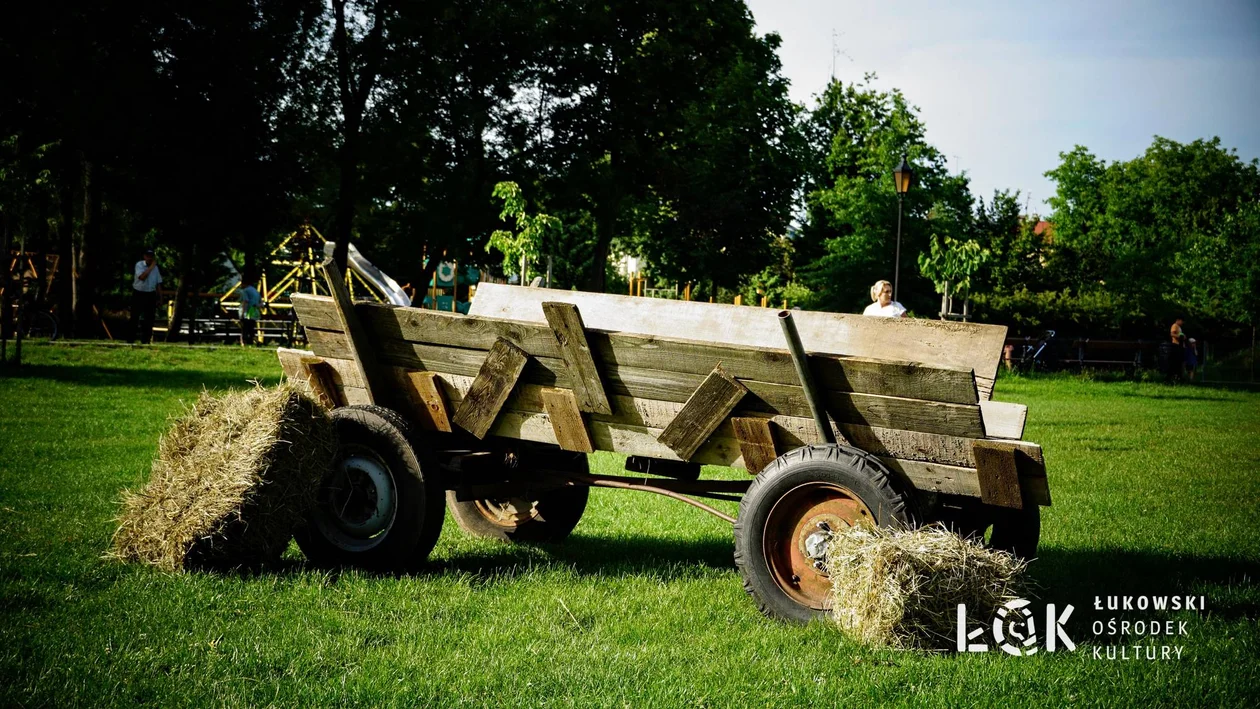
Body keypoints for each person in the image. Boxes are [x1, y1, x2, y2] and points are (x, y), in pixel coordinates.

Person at [130, 249, 162, 344]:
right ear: (144, 256)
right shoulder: (139, 265)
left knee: (149, 318)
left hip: (150, 294)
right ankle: (130, 339)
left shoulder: (156, 268)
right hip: (138, 293)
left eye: (151, 256)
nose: (149, 258)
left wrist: (160, 298)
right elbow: (142, 277)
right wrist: (151, 267)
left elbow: (158, 283)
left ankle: (146, 340)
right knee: (135, 317)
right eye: (148, 256)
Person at [238, 275, 262, 346]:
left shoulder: (245, 291)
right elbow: (261, 303)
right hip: (254, 311)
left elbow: (245, 301)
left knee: (244, 328)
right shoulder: (255, 291)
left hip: (248, 311)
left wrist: (242, 313)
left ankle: (243, 342)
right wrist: (256, 306)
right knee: (251, 328)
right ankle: (252, 341)